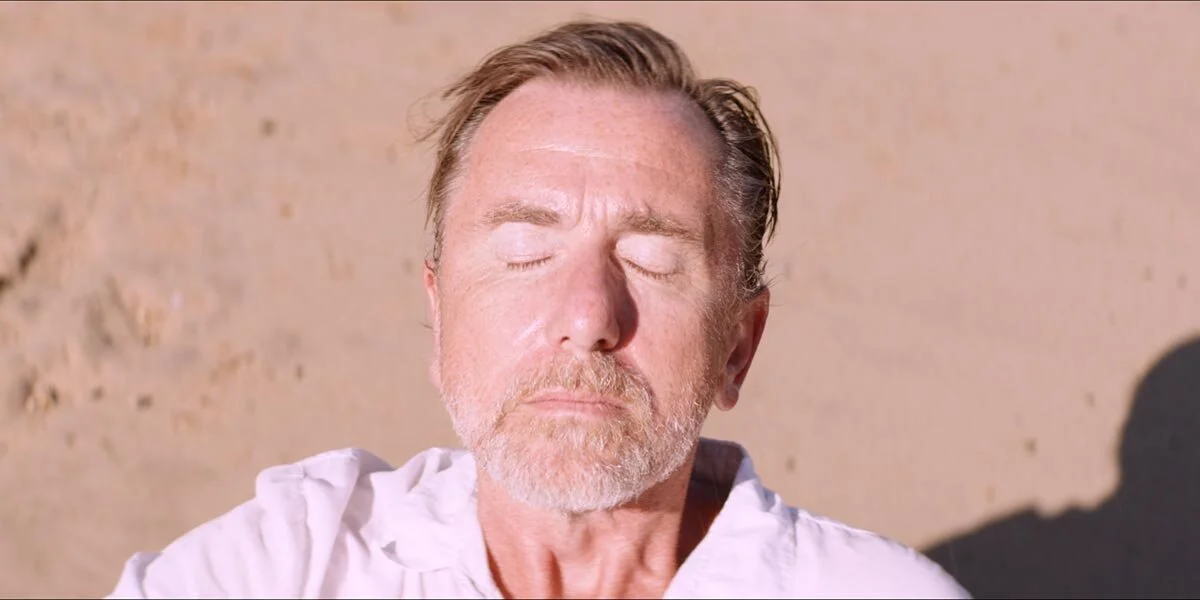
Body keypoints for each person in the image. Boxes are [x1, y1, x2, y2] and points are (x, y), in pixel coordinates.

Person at [107, 19, 968, 599]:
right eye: (523, 252)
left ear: (738, 346)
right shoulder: (293, 564)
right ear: (439, 317)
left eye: (652, 259)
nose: (587, 316)